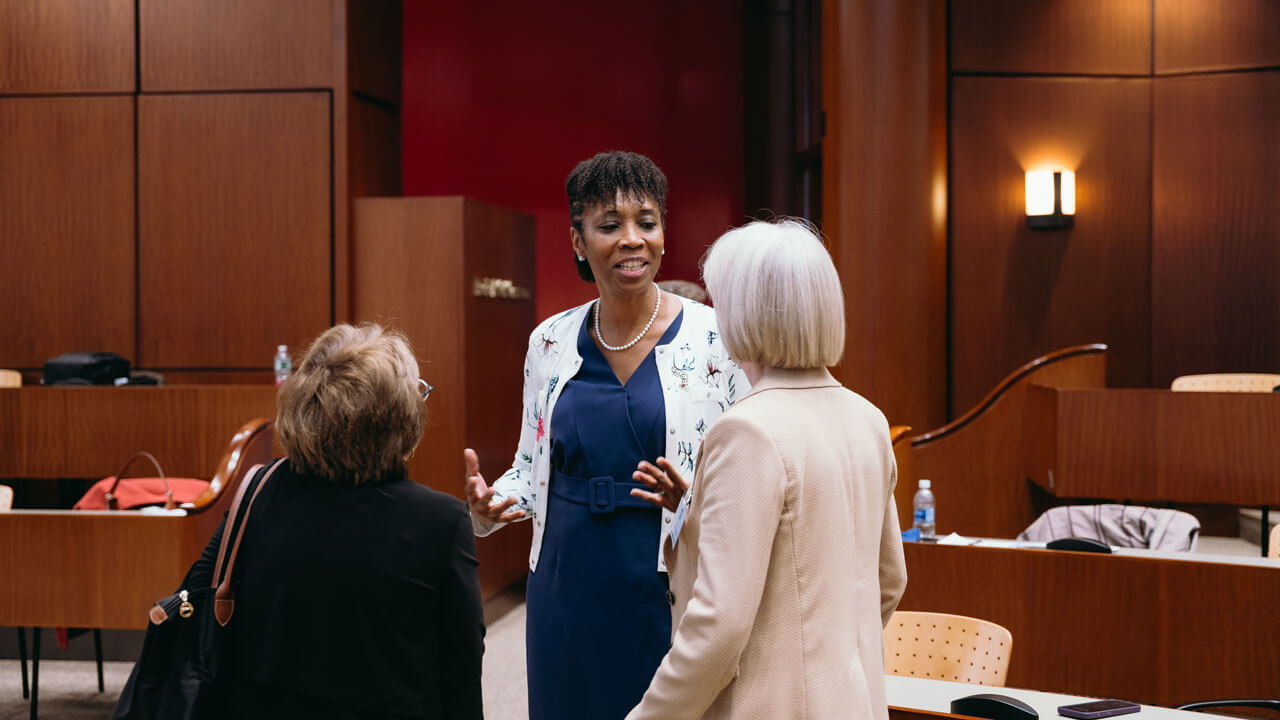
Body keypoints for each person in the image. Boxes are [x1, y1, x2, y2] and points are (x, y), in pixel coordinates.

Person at [463, 150, 748, 720]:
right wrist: (493, 502)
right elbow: (530, 464)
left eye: (647, 222)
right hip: (567, 575)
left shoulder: (716, 336)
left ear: (664, 233)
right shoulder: (549, 341)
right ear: (578, 241)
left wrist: (691, 497)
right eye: (609, 225)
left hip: (665, 571)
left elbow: (743, 467)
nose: (632, 240)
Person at [626, 219, 908, 720]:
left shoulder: (747, 431)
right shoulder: (869, 418)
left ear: (747, 312)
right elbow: (887, 580)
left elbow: (718, 626)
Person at [181, 324, 484, 719]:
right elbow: (461, 669)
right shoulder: (441, 521)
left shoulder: (259, 490)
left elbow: (195, 599)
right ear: (400, 420)